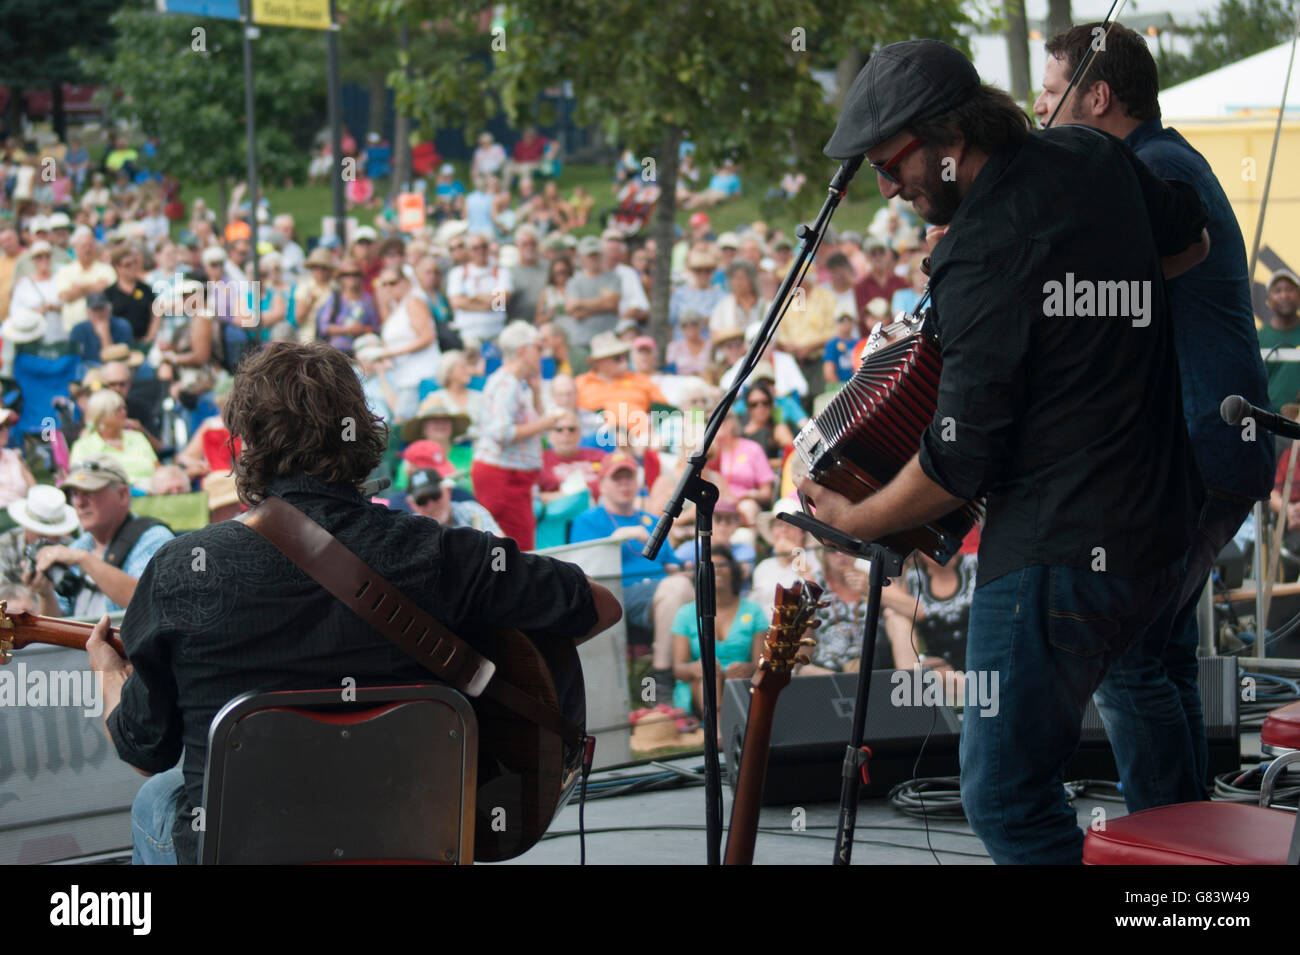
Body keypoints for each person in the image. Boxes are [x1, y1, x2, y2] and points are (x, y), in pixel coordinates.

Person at [800, 39, 1209, 864]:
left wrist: (859, 515)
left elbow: (959, 463)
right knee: (1141, 693)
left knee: (1005, 796)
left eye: (892, 164)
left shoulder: (979, 251)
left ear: (948, 139)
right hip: (1163, 527)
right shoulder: (1093, 153)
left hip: (1057, 550)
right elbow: (1188, 242)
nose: (885, 186)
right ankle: (1193, 892)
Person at [83, 340, 621, 865]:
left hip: (246, 849)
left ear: (243, 445)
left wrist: (110, 671)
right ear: (361, 433)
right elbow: (602, 608)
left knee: (157, 797)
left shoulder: (180, 570)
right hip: (411, 843)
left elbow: (143, 751)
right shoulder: (440, 553)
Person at [1035, 23, 1275, 814]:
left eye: (1050, 90)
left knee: (1128, 653)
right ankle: (1188, 832)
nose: (1039, 110)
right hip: (1215, 445)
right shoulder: (1166, 162)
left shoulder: (1149, 172)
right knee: (1160, 650)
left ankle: (1172, 849)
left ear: (1097, 95)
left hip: (1197, 447)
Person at [27, 456, 173, 618]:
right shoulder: (79, 546)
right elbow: (55, 630)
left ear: (123, 494)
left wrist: (84, 559)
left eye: (89, 492)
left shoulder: (154, 538)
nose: (79, 503)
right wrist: (46, 594)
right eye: (75, 494)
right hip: (76, 643)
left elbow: (148, 602)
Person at [471, 322, 562, 548]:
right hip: (503, 477)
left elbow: (537, 416)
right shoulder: (506, 383)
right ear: (522, 350)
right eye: (538, 348)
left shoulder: (518, 383)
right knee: (513, 549)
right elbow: (501, 432)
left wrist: (537, 390)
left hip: (512, 477)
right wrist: (544, 424)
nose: (542, 354)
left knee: (517, 547)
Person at [670, 546, 765, 714]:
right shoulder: (685, 613)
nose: (717, 570)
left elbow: (761, 665)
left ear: (734, 570)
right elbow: (679, 670)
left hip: (740, 683)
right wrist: (696, 668)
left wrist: (747, 668)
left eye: (723, 564)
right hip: (699, 688)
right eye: (710, 566)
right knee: (709, 674)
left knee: (733, 679)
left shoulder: (754, 611)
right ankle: (717, 729)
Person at [375, 266, 439, 421]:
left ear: (405, 282)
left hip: (419, 377)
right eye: (384, 284)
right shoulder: (396, 307)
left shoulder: (413, 302)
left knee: (405, 424)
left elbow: (427, 337)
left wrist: (390, 353)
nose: (388, 288)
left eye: (393, 283)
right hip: (403, 378)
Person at [69, 388, 161, 489]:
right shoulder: (83, 446)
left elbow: (158, 470)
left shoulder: (137, 437)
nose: (124, 412)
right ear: (101, 416)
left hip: (151, 490)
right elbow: (79, 479)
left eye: (124, 408)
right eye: (117, 410)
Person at [406, 467, 502, 533]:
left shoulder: (471, 511)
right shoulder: (411, 531)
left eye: (435, 495)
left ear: (447, 490)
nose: (431, 504)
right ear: (412, 504)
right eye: (422, 501)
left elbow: (501, 550)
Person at [1256, 270, 1300, 411]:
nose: (1284, 295)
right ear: (1268, 300)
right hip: (1267, 420)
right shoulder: (1257, 338)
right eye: (1277, 291)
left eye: (1290, 289)